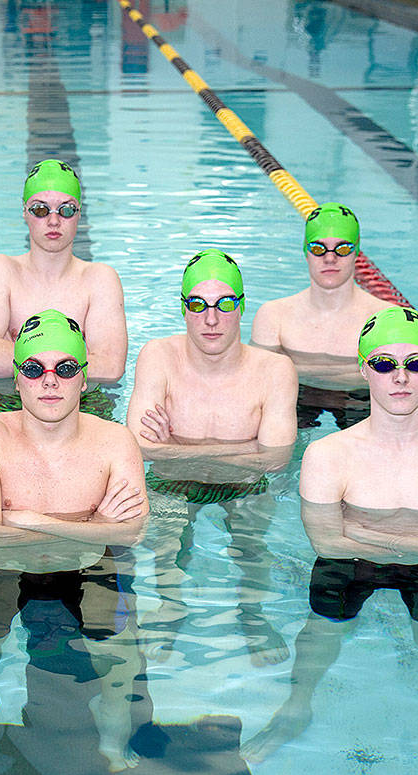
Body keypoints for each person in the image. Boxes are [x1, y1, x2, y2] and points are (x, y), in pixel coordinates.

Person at [241, 307, 418, 768]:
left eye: (414, 363)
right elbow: (327, 545)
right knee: (320, 629)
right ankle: (295, 708)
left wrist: (364, 531)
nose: (400, 378)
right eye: (384, 363)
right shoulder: (328, 454)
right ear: (363, 369)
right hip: (360, 563)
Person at [0, 310, 149, 771]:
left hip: (89, 563)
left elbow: (134, 531)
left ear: (84, 380)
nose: (49, 381)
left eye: (65, 368)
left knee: (120, 655)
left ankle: (113, 728)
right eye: (33, 368)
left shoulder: (116, 441)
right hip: (7, 564)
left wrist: (25, 517)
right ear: (16, 380)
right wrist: (96, 520)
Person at [126, 250, 298, 666]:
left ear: (242, 306)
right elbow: (137, 447)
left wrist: (178, 446)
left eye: (224, 304)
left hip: (245, 485)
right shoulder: (159, 356)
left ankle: (252, 614)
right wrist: (245, 448)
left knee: (252, 546)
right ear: (182, 309)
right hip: (171, 481)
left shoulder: (275, 369)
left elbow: (276, 459)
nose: (211, 319)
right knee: (164, 543)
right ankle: (170, 606)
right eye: (197, 305)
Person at [0, 159, 127, 419]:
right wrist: (71, 359)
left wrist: (24, 357)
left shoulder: (100, 278)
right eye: (41, 209)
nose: (53, 220)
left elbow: (111, 366)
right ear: (25, 212)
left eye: (66, 210)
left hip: (84, 408)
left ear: (79, 215)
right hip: (9, 404)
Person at [249, 202, 396, 429]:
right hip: (297, 395)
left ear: (356, 252)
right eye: (319, 248)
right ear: (305, 252)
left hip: (359, 398)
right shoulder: (274, 315)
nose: (330, 258)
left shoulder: (384, 318)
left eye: (342, 248)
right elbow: (253, 384)